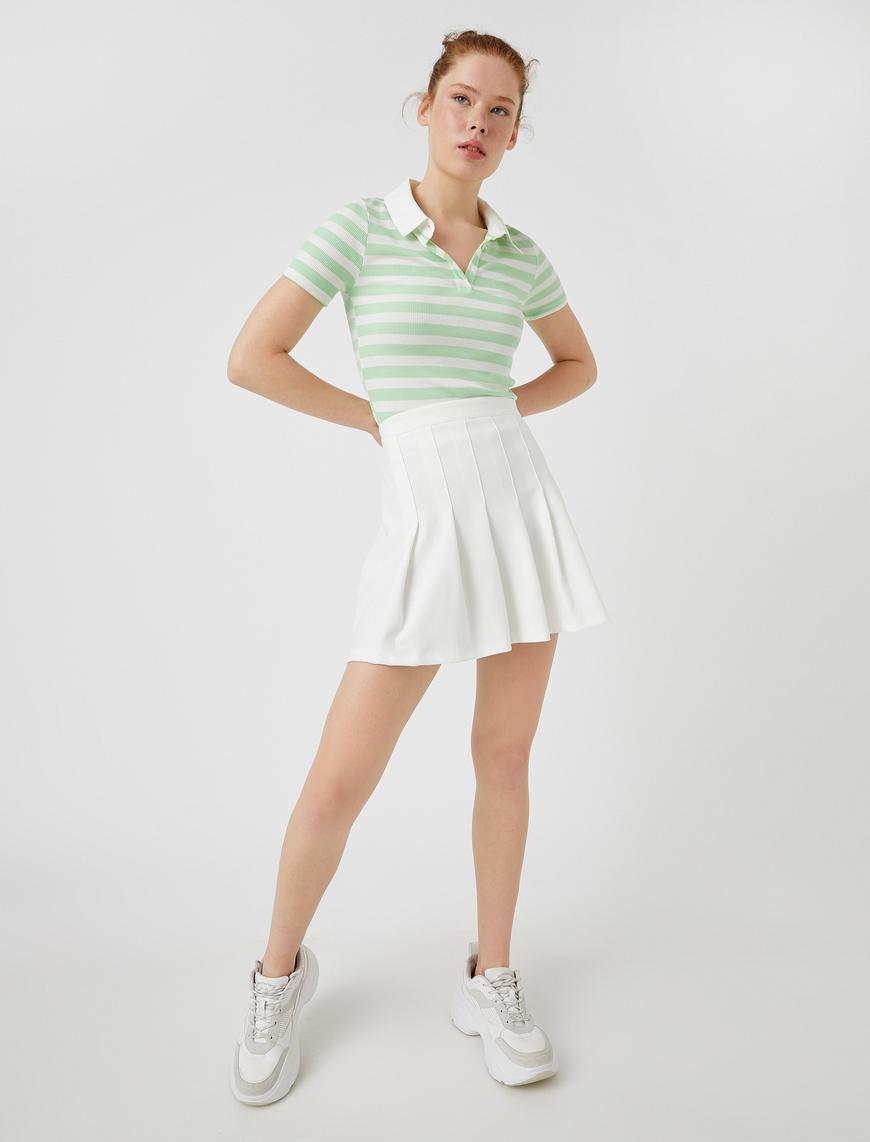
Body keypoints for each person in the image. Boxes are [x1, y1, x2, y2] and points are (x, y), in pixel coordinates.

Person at [226, 29, 608, 1103]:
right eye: (463, 100)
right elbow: (253, 357)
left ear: (516, 134)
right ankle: (276, 974)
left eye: (500, 110)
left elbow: (578, 363)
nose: (479, 122)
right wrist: (384, 420)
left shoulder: (521, 252)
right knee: (338, 780)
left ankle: (492, 976)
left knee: (505, 757)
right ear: (427, 106)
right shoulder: (360, 228)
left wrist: (493, 409)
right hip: (424, 510)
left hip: (517, 503)